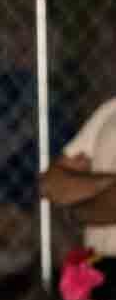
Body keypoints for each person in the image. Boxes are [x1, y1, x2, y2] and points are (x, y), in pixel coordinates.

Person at [40, 90, 116, 259]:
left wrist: (77, 210)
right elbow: (50, 183)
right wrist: (109, 185)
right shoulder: (111, 109)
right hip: (97, 265)